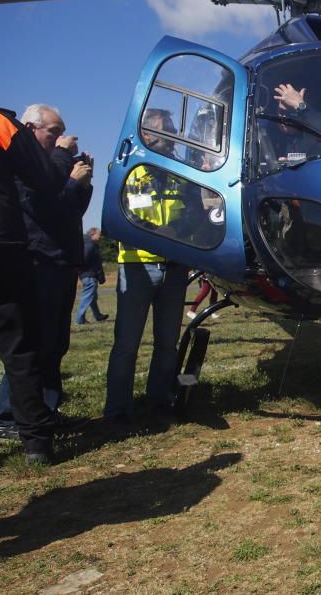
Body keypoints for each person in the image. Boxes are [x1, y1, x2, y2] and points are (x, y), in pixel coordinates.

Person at [0, 104, 92, 444]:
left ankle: (42, 411)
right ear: (31, 129)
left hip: (59, 260)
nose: (61, 140)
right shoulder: (17, 161)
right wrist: (65, 169)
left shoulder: (48, 164)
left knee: (53, 344)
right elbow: (43, 205)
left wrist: (81, 185)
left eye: (62, 133)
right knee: (27, 344)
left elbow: (69, 211)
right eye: (54, 133)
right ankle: (6, 416)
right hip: (36, 259)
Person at [103, 109, 191, 423]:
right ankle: (117, 409)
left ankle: (158, 399)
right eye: (166, 132)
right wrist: (159, 235)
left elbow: (192, 215)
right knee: (127, 343)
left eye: (172, 131)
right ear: (147, 134)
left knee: (167, 342)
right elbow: (121, 214)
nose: (172, 138)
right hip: (136, 267)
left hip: (175, 268)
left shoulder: (182, 174)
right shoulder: (130, 170)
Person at [75, 227, 108, 324]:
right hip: (89, 275)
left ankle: (98, 316)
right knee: (87, 296)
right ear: (92, 234)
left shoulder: (89, 244)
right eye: (99, 234)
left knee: (92, 297)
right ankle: (79, 319)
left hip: (87, 274)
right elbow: (85, 260)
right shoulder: (90, 246)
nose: (100, 237)